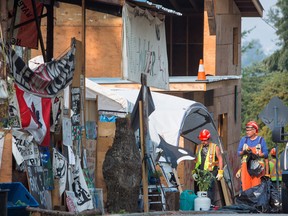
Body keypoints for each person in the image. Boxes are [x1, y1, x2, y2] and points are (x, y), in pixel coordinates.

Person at [237, 121, 269, 191]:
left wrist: (260, 154)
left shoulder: (261, 140)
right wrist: (244, 152)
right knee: (246, 187)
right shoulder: (244, 140)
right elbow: (238, 153)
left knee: (257, 186)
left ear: (254, 130)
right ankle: (248, 200)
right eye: (246, 130)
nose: (247, 132)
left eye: (249, 130)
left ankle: (257, 201)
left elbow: (266, 153)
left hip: (257, 168)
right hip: (246, 167)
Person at [194, 129, 224, 204]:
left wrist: (220, 171)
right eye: (202, 140)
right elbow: (196, 160)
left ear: (209, 139)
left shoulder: (215, 147)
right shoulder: (198, 147)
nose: (203, 142)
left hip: (210, 172)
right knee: (198, 190)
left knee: (209, 191)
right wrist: (194, 171)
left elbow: (220, 159)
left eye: (205, 140)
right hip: (200, 172)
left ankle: (210, 205)